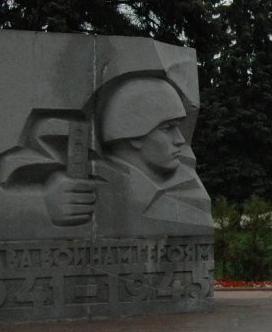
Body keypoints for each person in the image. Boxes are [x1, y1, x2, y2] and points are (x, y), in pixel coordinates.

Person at [44, 76, 212, 234]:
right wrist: (42, 202)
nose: (180, 140)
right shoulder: (93, 186)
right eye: (168, 128)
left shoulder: (186, 191)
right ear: (134, 136)